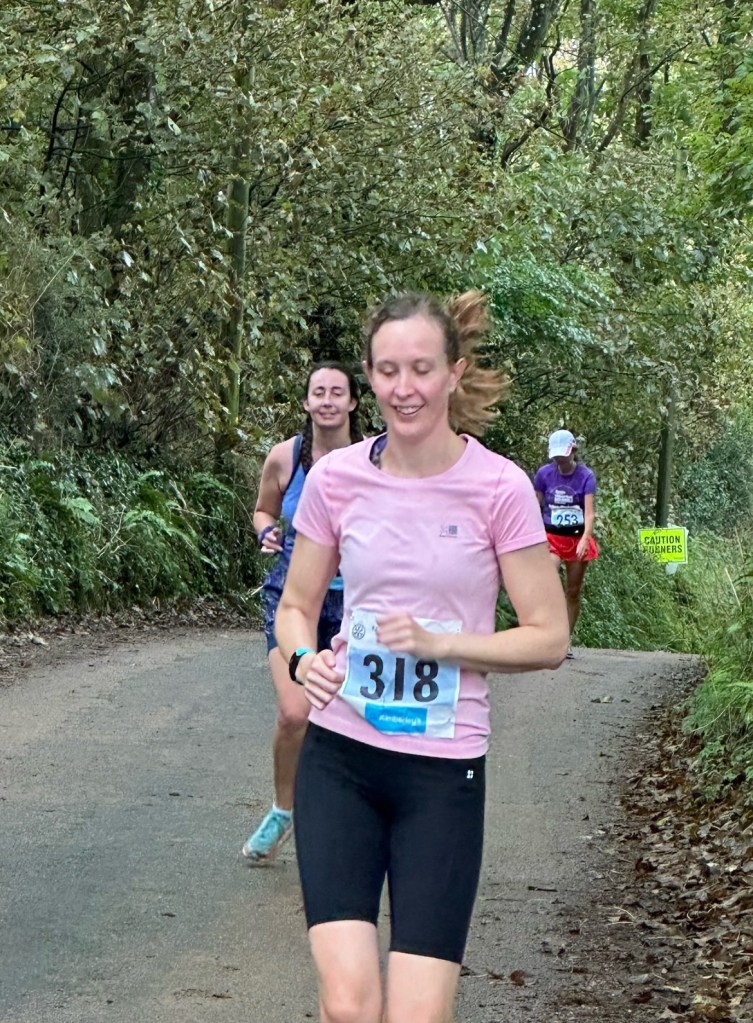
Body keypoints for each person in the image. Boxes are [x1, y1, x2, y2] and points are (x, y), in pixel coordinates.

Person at [275, 291, 569, 1023]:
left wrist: (444, 644)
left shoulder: (499, 487)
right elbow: (294, 606)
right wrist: (303, 660)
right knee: (348, 1005)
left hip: (442, 772)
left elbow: (548, 635)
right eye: (387, 370)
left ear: (453, 373)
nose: (404, 388)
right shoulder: (338, 478)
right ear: (368, 379)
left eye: (421, 369)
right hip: (340, 759)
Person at [241, 361, 362, 864]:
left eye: (338, 392)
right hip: (291, 597)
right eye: (319, 392)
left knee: (350, 719)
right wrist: (266, 531)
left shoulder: (376, 458)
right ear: (307, 402)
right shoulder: (284, 457)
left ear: (353, 402)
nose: (328, 400)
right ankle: (283, 810)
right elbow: (263, 509)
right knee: (296, 712)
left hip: (356, 602)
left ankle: (347, 820)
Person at [533, 429, 599, 659]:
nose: (560, 460)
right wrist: (535, 536)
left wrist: (585, 539)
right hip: (551, 537)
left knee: (572, 592)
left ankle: (564, 641)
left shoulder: (586, 476)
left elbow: (589, 513)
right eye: (557, 457)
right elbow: (534, 506)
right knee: (547, 581)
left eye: (564, 455)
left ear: (573, 452)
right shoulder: (544, 474)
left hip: (576, 537)